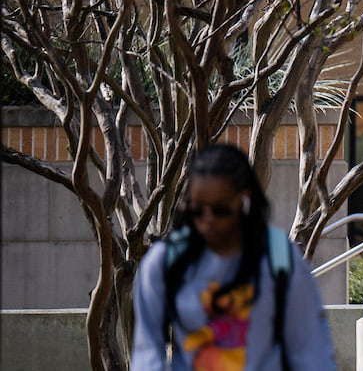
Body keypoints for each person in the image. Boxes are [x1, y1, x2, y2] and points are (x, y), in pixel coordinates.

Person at [133, 144, 338, 371]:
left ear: (244, 199)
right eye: (197, 210)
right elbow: (147, 354)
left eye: (220, 209)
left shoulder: (280, 258)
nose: (208, 219)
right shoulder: (163, 262)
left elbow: (312, 352)